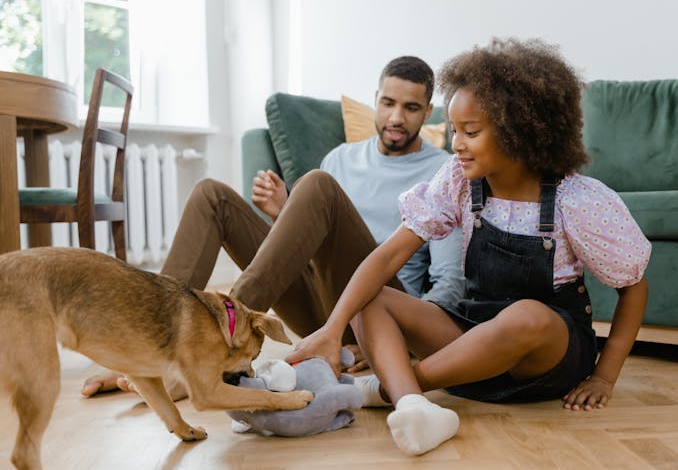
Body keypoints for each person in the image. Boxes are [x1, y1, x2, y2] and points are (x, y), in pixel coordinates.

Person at [286, 38, 651, 456]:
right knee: (369, 298)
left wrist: (605, 376)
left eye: (470, 132)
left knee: (527, 316)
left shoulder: (577, 199)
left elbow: (634, 286)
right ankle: (412, 407)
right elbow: (389, 255)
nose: (455, 143)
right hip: (470, 339)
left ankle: (393, 387)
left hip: (546, 359)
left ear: (519, 132)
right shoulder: (459, 181)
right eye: (455, 130)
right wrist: (333, 329)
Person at [81, 56, 465, 397]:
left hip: (377, 314)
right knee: (211, 195)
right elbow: (314, 249)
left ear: (428, 111)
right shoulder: (341, 158)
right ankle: (148, 348)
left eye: (411, 107)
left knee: (316, 184)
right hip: (316, 313)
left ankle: (217, 346)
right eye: (388, 103)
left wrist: (401, 341)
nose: (397, 117)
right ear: (375, 100)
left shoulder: (443, 171)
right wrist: (283, 213)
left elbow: (448, 282)